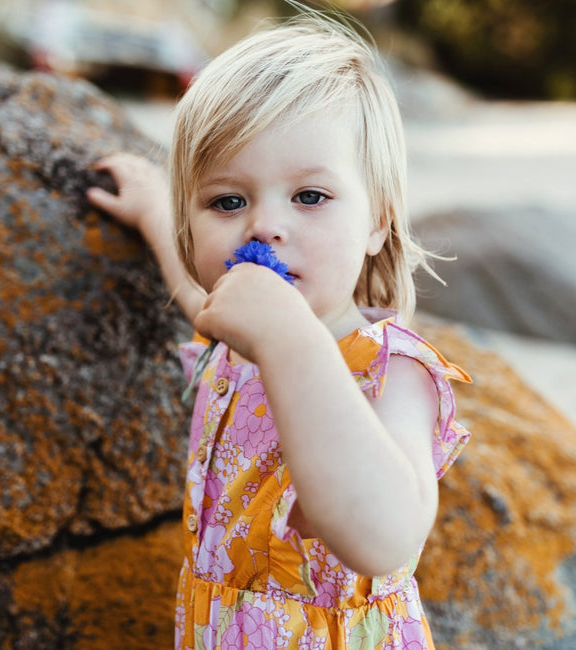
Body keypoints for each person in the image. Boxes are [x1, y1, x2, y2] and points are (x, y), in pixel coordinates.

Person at [87, 9, 471, 649]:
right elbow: (197, 296)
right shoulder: (235, 344)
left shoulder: (392, 372)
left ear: (378, 220)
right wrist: (157, 209)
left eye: (310, 197)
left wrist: (289, 339)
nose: (263, 226)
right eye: (227, 202)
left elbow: (385, 538)